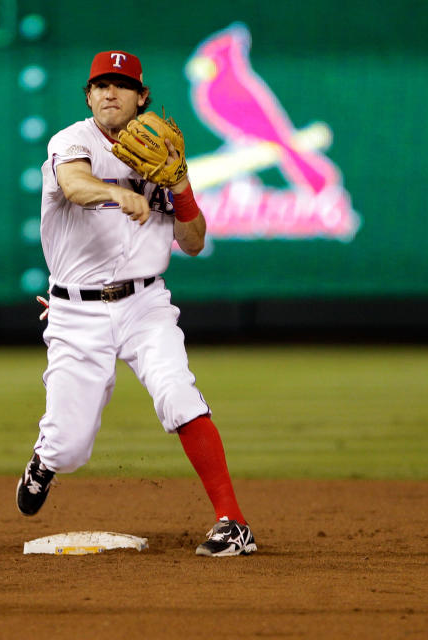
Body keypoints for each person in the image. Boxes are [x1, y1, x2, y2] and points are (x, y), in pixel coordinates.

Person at [15, 51, 257, 557]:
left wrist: (182, 185)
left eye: (122, 85)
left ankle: (232, 521)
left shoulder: (164, 154)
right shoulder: (72, 141)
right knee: (71, 445)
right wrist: (114, 193)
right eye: (101, 84)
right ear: (88, 95)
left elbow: (192, 241)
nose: (110, 93)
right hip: (76, 311)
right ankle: (45, 459)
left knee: (177, 391)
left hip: (146, 304)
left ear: (142, 97)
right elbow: (75, 185)